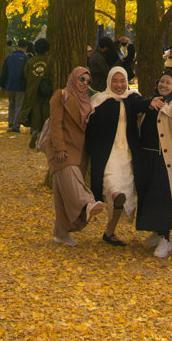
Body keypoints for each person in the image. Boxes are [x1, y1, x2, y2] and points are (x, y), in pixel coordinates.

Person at [86, 67, 163, 247]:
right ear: (109, 82)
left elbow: (141, 102)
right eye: (115, 81)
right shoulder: (99, 101)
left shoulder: (130, 99)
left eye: (122, 81)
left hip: (127, 153)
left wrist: (151, 102)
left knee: (125, 193)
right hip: (107, 154)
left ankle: (109, 231)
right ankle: (114, 194)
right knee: (112, 182)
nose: (119, 85)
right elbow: (90, 131)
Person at [135, 72, 172, 259]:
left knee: (163, 198)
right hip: (146, 156)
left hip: (163, 158)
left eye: (168, 82)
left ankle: (166, 238)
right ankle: (156, 231)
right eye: (161, 81)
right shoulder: (149, 103)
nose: (164, 85)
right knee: (148, 196)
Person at [45, 67, 104, 246]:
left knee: (61, 196)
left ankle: (60, 232)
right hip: (61, 150)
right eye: (81, 80)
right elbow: (55, 123)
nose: (85, 84)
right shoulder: (61, 95)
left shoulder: (88, 101)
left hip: (79, 152)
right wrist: (60, 148)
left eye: (88, 81)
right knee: (72, 178)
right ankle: (87, 203)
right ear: (73, 79)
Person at [18, 38, 53, 148]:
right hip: (47, 92)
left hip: (33, 91)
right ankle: (45, 137)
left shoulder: (30, 61)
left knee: (35, 113)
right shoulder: (50, 61)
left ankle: (34, 132)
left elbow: (25, 75)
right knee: (46, 113)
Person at [0, 39, 30, 132]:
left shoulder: (10, 57)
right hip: (20, 86)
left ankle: (10, 122)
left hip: (9, 85)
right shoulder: (26, 58)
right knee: (19, 105)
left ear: (17, 46)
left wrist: (2, 84)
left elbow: (4, 71)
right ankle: (16, 125)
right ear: (26, 47)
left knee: (11, 104)